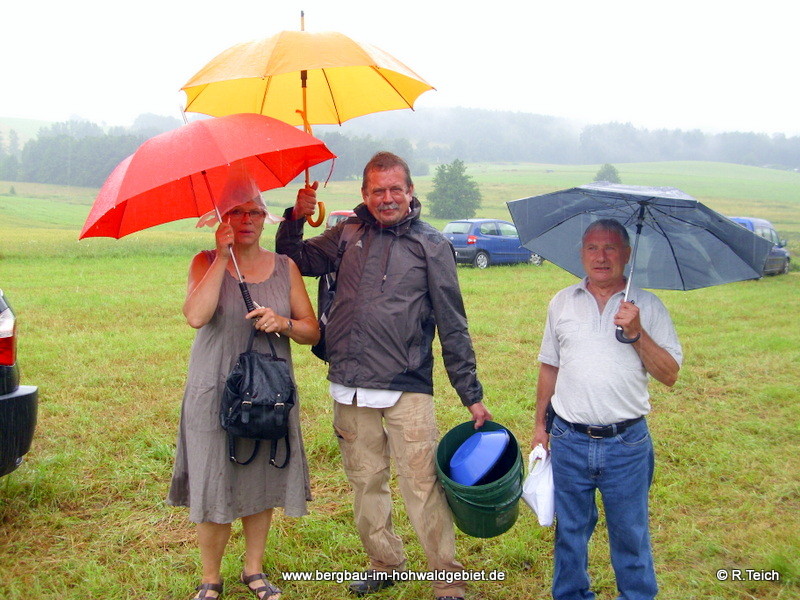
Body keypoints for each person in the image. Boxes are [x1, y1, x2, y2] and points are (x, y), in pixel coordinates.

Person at [276, 152, 491, 600]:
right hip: (350, 384)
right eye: (378, 190)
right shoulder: (346, 234)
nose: (387, 198)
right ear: (364, 195)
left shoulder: (432, 245)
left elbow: (452, 322)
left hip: (407, 386)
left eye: (396, 189)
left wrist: (469, 392)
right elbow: (293, 258)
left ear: (411, 191)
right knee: (365, 481)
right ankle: (385, 561)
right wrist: (296, 217)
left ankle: (446, 579)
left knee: (422, 484)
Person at [167, 171, 320, 600]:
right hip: (212, 390)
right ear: (222, 217)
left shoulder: (285, 267)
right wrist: (220, 256)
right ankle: (210, 577)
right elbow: (196, 316)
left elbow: (312, 331)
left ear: (266, 216)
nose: (247, 219)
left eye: (255, 210)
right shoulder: (204, 261)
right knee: (215, 477)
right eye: (237, 211)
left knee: (260, 479)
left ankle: (253, 571)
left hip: (266, 393)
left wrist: (283, 322)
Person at [532, 218, 682, 600]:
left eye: (611, 248)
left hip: (627, 445)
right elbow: (550, 366)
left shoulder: (646, 305)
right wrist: (540, 427)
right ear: (581, 253)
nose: (601, 257)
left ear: (627, 255)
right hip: (568, 438)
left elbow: (669, 374)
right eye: (593, 248)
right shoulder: (562, 302)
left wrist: (637, 333)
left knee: (630, 535)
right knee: (570, 533)